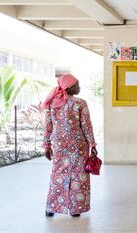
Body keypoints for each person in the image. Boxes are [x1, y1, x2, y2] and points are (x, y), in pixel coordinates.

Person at [42, 74, 97, 217]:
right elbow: (86, 126)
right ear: (70, 87)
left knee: (58, 174)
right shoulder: (80, 103)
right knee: (79, 175)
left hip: (59, 145)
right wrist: (92, 144)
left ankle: (52, 207)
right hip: (79, 146)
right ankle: (75, 208)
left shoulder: (52, 103)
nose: (79, 87)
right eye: (77, 85)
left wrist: (46, 145)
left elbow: (48, 126)